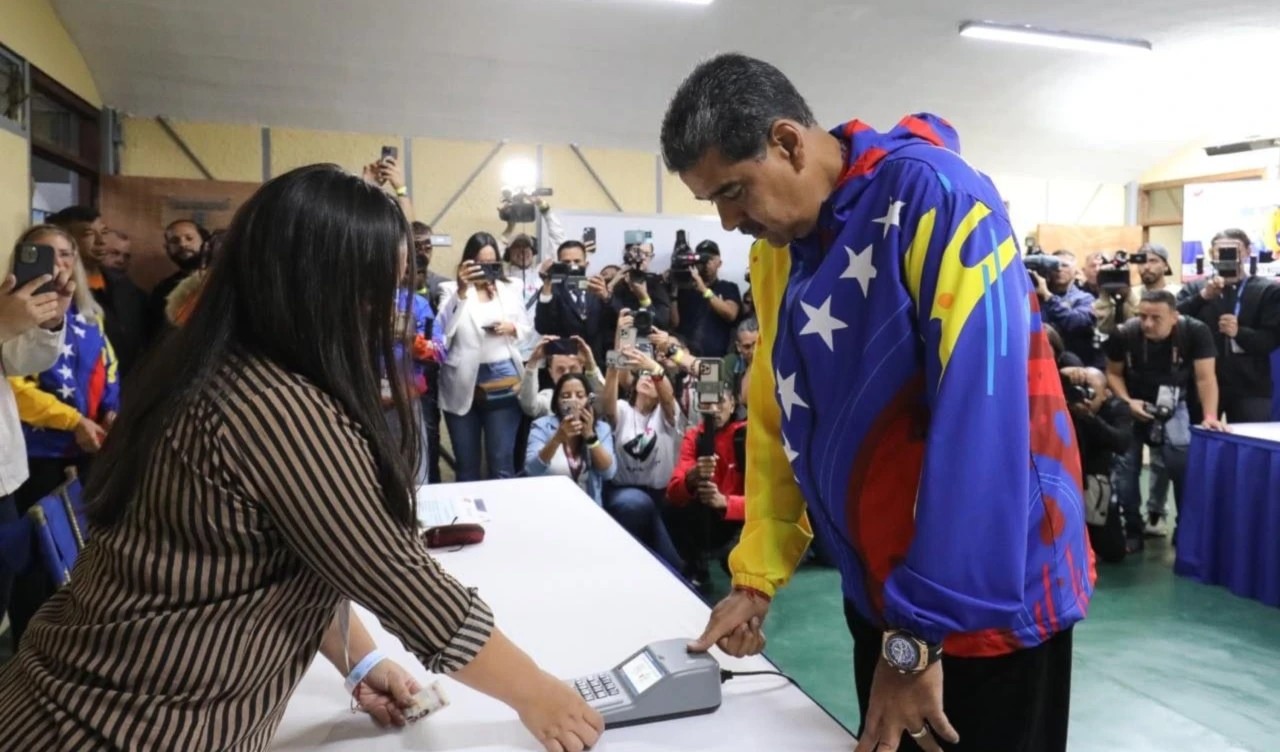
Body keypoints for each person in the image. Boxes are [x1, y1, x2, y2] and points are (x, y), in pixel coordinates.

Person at [0, 165, 602, 752]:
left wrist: (361, 657)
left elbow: (279, 553)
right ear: (322, 289)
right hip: (111, 729)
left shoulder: (218, 365)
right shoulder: (275, 407)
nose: (389, 313)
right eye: (381, 290)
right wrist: (540, 696)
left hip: (72, 705)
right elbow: (404, 583)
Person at [662, 54, 1090, 752]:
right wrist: (758, 573)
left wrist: (919, 638)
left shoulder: (938, 196)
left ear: (788, 143)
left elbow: (982, 417)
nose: (729, 220)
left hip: (988, 601)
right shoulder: (781, 247)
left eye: (734, 190)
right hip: (885, 595)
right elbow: (777, 414)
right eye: (713, 200)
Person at [6, 225, 119, 648]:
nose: (59, 264)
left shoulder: (89, 319)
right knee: (29, 570)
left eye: (67, 254)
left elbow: (107, 369)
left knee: (75, 562)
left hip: (86, 455)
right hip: (37, 457)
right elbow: (16, 386)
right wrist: (71, 421)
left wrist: (111, 410)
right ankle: (26, 651)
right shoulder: (10, 310)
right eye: (45, 254)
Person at [436, 232, 533, 481]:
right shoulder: (450, 289)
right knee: (467, 465)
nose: (487, 269)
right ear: (468, 263)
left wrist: (512, 328)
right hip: (461, 380)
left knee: (501, 461)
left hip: (503, 378)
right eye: (481, 263)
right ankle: (468, 518)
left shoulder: (511, 287)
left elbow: (526, 328)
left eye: (492, 263)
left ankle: (505, 518)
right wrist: (461, 290)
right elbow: (443, 331)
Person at [1176, 229, 1280, 424]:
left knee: (1251, 445)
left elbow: (1271, 340)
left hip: (1250, 386)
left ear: (1248, 252)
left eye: (1234, 250)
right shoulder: (1196, 289)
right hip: (1200, 383)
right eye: (1220, 251)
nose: (1227, 255)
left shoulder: (1268, 290)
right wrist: (1202, 298)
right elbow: (1170, 320)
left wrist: (1240, 333)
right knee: (1196, 442)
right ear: (1210, 254)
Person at [524, 372, 617, 504]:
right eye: (565, 396)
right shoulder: (542, 426)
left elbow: (609, 473)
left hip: (587, 506)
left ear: (589, 400)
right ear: (557, 401)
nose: (574, 401)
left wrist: (590, 436)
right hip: (549, 504)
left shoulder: (601, 429)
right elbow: (531, 470)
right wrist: (556, 439)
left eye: (580, 396)